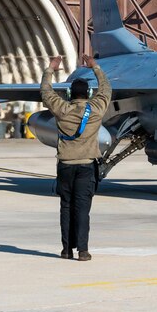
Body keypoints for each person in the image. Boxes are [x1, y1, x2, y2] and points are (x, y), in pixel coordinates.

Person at [41, 54, 112, 261]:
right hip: (86, 167)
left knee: (66, 207)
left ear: (70, 93)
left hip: (65, 167)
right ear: (89, 93)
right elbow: (106, 89)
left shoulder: (61, 109)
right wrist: (95, 67)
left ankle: (66, 250)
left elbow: (46, 91)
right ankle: (82, 250)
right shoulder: (96, 109)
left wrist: (51, 69)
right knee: (82, 209)